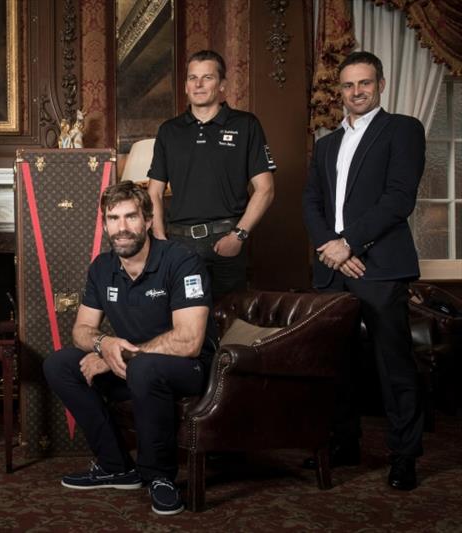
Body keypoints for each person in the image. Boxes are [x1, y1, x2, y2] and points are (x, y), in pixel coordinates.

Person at [44, 181, 218, 516]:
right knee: (60, 364)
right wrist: (104, 343)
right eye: (113, 218)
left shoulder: (182, 261)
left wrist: (120, 356)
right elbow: (81, 330)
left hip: (190, 368)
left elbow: (189, 340)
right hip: (133, 367)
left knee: (144, 366)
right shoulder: (102, 266)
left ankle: (160, 477)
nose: (122, 227)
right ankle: (115, 465)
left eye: (131, 217)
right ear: (105, 223)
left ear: (149, 220)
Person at [302, 51, 425, 491]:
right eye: (349, 85)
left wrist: (348, 243)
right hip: (332, 269)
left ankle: (404, 455)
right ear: (340, 90)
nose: (356, 92)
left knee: (392, 365)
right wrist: (331, 249)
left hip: (381, 266)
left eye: (365, 83)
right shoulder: (326, 144)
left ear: (381, 84)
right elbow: (311, 202)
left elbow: (398, 199)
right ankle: (343, 442)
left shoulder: (403, 131)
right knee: (335, 362)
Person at [147, 49, 276, 301]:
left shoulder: (246, 124)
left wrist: (239, 236)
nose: (198, 84)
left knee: (230, 321)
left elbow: (266, 188)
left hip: (226, 241)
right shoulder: (169, 131)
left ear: (222, 85)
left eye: (207, 78)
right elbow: (154, 191)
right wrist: (160, 239)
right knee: (183, 318)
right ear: (185, 86)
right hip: (179, 244)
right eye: (192, 78)